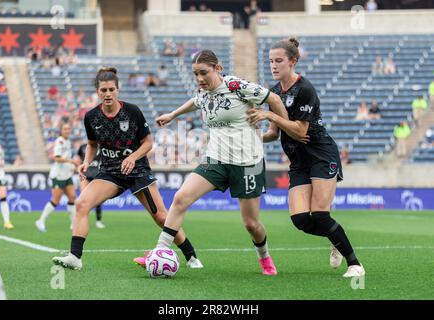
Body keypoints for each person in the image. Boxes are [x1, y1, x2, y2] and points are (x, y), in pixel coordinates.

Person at [152, 50, 297, 276]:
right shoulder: (205, 92)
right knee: (180, 198)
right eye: (195, 74)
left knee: (251, 224)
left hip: (248, 162)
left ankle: (264, 256)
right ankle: (159, 252)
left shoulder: (235, 86)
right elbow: (195, 102)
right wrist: (172, 115)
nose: (199, 79)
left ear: (218, 69)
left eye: (204, 73)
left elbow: (274, 99)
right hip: (216, 159)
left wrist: (277, 128)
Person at [51, 67, 202, 270]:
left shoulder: (132, 111)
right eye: (103, 90)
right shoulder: (91, 117)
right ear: (97, 92)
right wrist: (87, 161)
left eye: (111, 89)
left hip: (137, 171)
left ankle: (191, 256)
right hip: (110, 173)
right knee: (81, 204)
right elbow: (92, 144)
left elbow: (148, 143)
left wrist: (133, 157)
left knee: (161, 217)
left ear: (118, 90)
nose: (107, 94)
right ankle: (75, 257)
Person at [248, 38, 365, 277]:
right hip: (299, 160)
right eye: (271, 61)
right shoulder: (274, 92)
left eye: (279, 60)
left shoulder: (305, 89)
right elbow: (274, 134)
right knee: (301, 219)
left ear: (292, 61)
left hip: (321, 153)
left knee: (320, 214)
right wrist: (249, 139)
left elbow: (301, 131)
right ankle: (335, 238)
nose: (273, 65)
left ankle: (355, 264)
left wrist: (270, 116)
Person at [35, 123, 79, 232]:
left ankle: (74, 224)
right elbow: (57, 158)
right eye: (65, 129)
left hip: (66, 174)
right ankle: (41, 220)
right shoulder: (59, 141)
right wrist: (71, 161)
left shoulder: (68, 141)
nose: (67, 130)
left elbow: (65, 158)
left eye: (68, 129)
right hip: (58, 175)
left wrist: (72, 166)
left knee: (72, 197)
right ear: (61, 131)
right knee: (55, 200)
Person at [76, 143, 105, 229]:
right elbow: (78, 159)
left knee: (98, 200)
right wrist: (78, 168)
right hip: (85, 176)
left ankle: (98, 221)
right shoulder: (82, 146)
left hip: (97, 175)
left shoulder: (101, 146)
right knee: (83, 199)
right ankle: (81, 220)